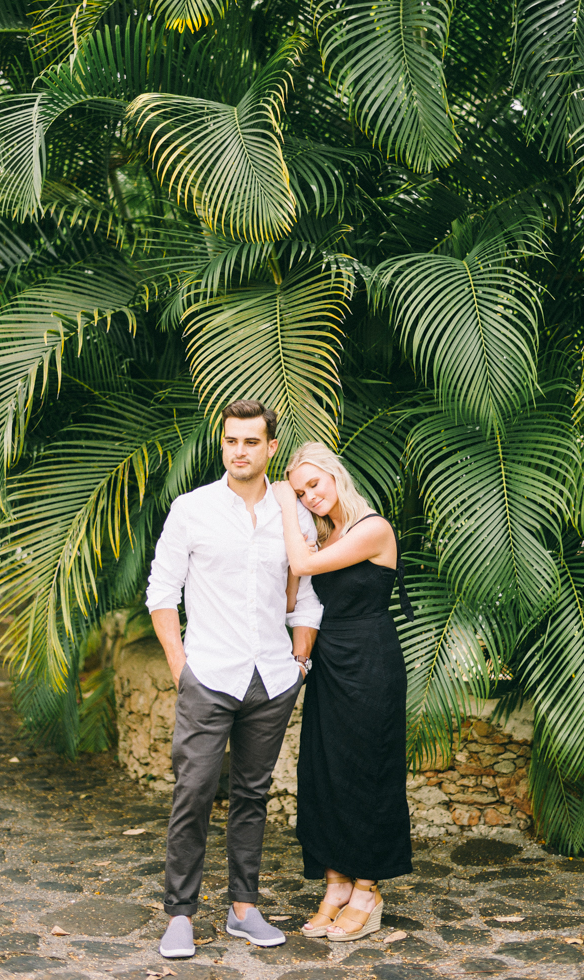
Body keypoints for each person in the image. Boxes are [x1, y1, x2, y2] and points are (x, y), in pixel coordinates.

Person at [146, 400, 323, 960]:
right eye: (231, 441)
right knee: (193, 791)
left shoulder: (291, 513)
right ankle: (180, 914)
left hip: (271, 678)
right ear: (222, 445)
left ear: (271, 448)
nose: (239, 451)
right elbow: (161, 592)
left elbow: (308, 589)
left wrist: (298, 661)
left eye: (251, 441)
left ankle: (243, 908)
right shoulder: (191, 509)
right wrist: (182, 668)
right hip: (209, 674)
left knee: (252, 794)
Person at [273, 442, 414, 943]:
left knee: (368, 771)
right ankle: (334, 885)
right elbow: (296, 593)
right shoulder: (325, 535)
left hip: (371, 659)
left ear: (336, 476)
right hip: (330, 661)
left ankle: (367, 889)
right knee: (323, 770)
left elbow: (303, 566)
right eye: (298, 491)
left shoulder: (370, 528)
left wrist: (286, 511)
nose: (308, 496)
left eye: (314, 485)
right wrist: (300, 555)